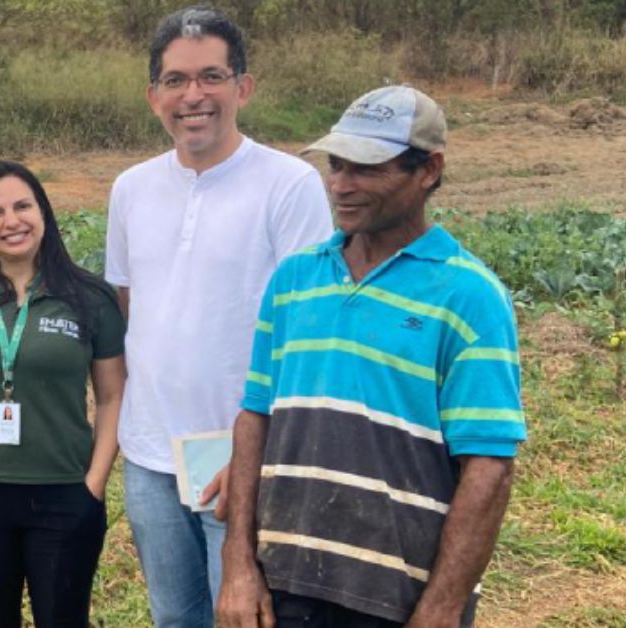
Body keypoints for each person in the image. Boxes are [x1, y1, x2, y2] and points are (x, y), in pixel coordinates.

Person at [217, 85, 527, 628]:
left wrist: (441, 609)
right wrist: (239, 564)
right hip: (288, 582)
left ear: (428, 170)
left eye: (365, 168)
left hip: (400, 597)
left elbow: (489, 468)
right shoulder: (295, 279)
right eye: (335, 166)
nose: (341, 185)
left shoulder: (470, 296)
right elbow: (255, 418)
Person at [103, 6, 333, 625]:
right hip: (150, 456)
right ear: (154, 96)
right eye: (176, 80)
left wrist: (256, 457)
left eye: (211, 76)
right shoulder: (130, 189)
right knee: (174, 617)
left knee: (247, 615)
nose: (193, 96)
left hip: (242, 460)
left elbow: (308, 336)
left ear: (243, 86)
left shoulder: (289, 186)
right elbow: (129, 309)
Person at [0, 160, 126, 627]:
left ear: (44, 213)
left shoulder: (89, 297)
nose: (11, 221)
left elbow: (114, 396)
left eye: (22, 206)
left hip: (63, 492)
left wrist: (93, 483)